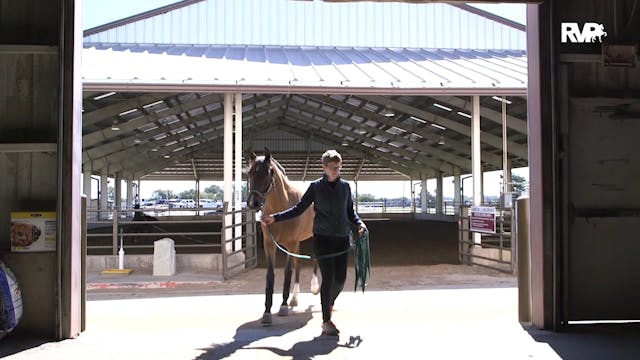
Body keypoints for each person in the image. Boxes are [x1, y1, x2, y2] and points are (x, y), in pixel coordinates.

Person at [261, 149, 367, 336]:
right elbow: (298, 208)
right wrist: (275, 218)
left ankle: (328, 303)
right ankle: (326, 320)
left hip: (341, 238)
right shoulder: (315, 187)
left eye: (338, 167)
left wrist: (359, 224)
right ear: (324, 167)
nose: (336, 170)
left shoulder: (345, 187)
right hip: (323, 238)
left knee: (340, 280)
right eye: (332, 167)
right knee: (328, 278)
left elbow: (350, 212)